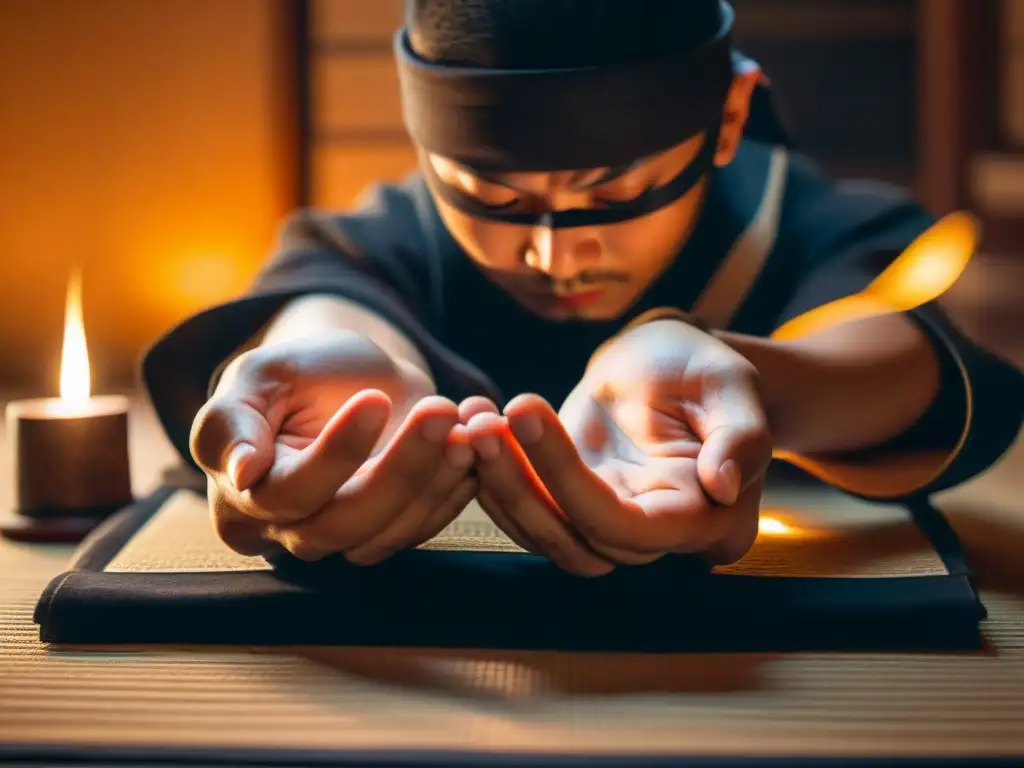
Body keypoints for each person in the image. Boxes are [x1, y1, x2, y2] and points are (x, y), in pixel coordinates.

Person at [144, 0, 1024, 576]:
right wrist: (310, 363)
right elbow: (329, 298)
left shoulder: (809, 223)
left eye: (613, 193)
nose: (553, 256)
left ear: (727, 117)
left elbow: (902, 353)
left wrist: (749, 379)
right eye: (491, 197)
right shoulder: (377, 238)